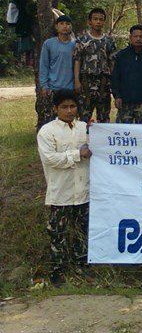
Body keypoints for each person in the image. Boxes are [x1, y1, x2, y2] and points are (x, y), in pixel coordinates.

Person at [36, 90, 91, 286]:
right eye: (64, 107)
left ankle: (81, 266)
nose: (69, 111)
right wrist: (77, 154)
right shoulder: (47, 131)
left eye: (72, 106)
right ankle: (57, 271)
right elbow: (51, 159)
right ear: (55, 109)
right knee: (58, 234)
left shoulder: (85, 128)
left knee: (82, 231)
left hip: (83, 191)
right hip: (61, 193)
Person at [73, 8, 116, 123]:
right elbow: (77, 61)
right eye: (95, 19)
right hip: (86, 83)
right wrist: (76, 81)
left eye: (101, 19)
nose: (98, 22)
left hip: (103, 83)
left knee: (104, 118)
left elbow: (112, 62)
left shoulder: (109, 41)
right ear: (89, 21)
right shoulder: (82, 40)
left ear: (104, 22)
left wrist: (113, 81)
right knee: (83, 119)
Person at [111, 25, 142, 124]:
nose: (138, 39)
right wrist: (117, 95)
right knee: (123, 131)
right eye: (135, 36)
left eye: (141, 36)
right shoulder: (121, 55)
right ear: (130, 37)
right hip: (125, 101)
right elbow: (116, 77)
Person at [37, 15, 76, 127]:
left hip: (70, 88)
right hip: (52, 87)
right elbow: (44, 65)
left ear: (71, 27)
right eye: (61, 24)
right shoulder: (48, 44)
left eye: (67, 24)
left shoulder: (76, 44)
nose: (65, 26)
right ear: (56, 27)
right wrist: (44, 85)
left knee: (69, 119)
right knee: (50, 120)